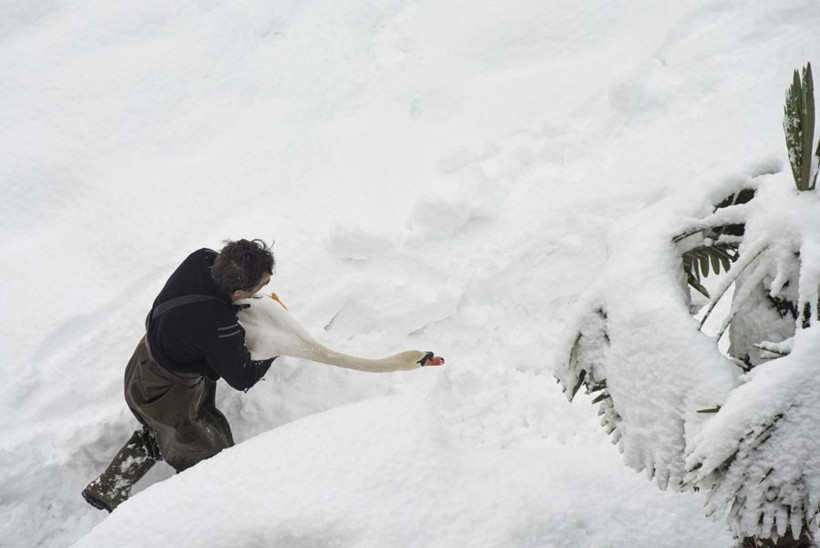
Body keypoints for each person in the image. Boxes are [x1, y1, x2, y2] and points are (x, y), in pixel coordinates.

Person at [82, 239, 276, 512]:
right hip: (167, 392)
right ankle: (187, 518)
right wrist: (276, 346)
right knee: (208, 459)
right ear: (239, 290)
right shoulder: (215, 321)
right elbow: (243, 377)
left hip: (145, 362)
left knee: (170, 433)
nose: (265, 288)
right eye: (261, 285)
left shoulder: (203, 259)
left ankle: (107, 488)